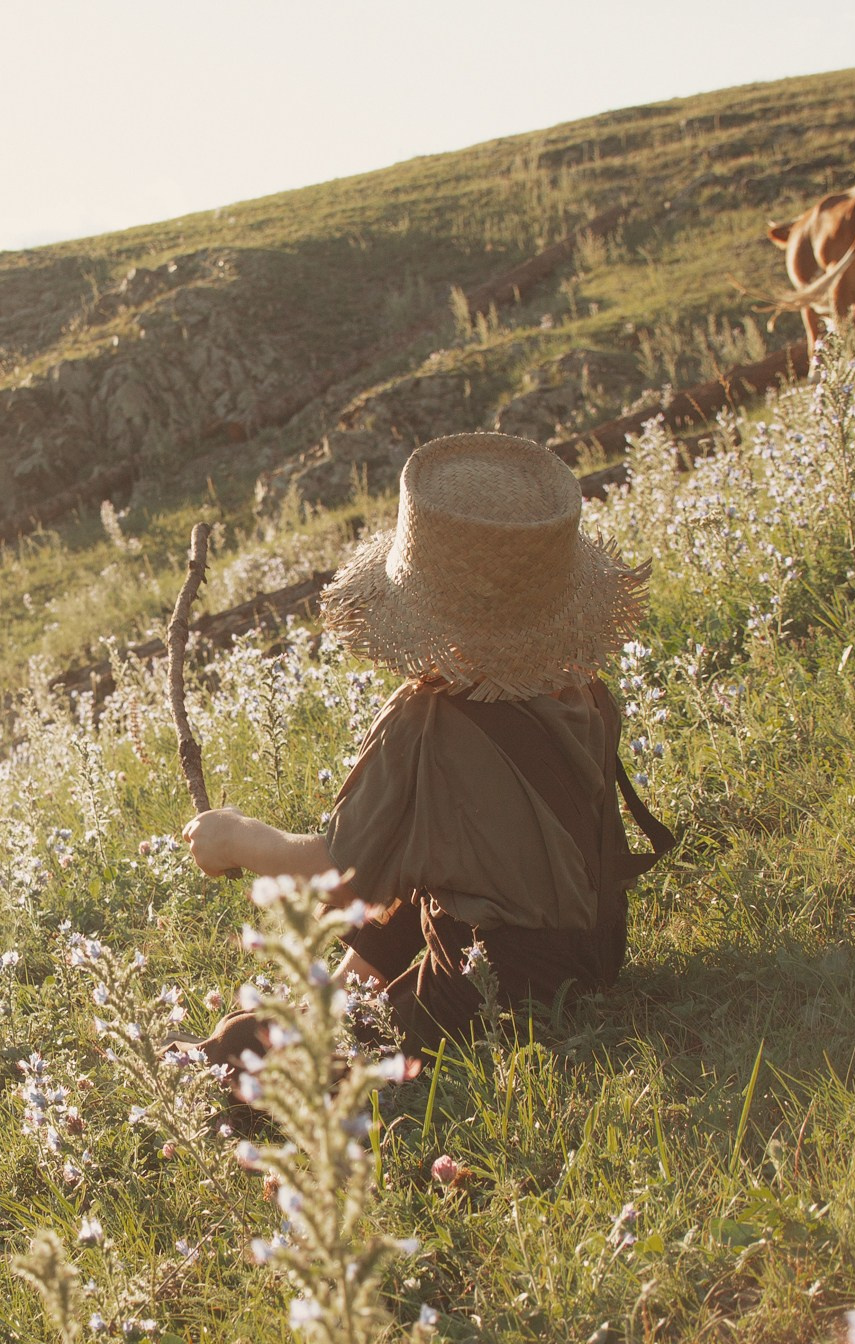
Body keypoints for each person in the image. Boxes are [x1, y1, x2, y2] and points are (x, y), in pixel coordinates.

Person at [183, 431, 674, 1061]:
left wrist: (241, 839)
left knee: (243, 1048)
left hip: (494, 990)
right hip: (595, 948)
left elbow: (341, 878)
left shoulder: (426, 720)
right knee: (412, 884)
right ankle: (333, 1004)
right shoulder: (582, 686)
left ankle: (268, 1048)